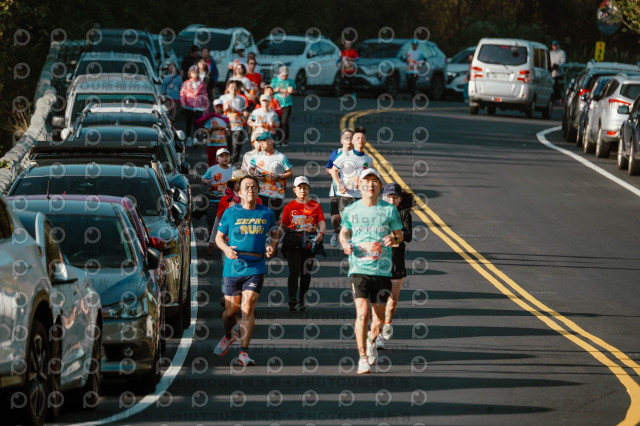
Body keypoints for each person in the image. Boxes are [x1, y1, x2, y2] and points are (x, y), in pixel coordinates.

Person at [339, 168, 403, 374]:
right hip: (359, 268)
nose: (371, 185)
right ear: (359, 185)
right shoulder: (351, 210)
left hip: (382, 270)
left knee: (378, 319)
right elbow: (344, 232)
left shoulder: (389, 210)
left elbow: (400, 234)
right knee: (362, 313)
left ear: (380, 186)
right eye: (366, 181)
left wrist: (394, 238)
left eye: (375, 181)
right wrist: (345, 243)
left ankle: (371, 340)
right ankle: (362, 358)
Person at [214, 175, 278, 366]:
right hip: (233, 267)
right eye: (247, 187)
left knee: (247, 308)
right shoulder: (230, 213)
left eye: (254, 187)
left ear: (258, 192)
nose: (251, 190)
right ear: (239, 192)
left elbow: (274, 234)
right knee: (230, 313)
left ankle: (244, 353)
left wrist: (271, 246)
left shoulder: (266, 213)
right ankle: (228, 335)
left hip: (256, 266)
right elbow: (219, 238)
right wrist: (226, 249)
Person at [279, 176, 326, 312]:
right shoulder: (289, 207)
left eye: (305, 188)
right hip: (292, 242)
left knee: (306, 272)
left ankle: (302, 300)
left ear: (309, 189)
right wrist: (275, 241)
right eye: (300, 188)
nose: (303, 190)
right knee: (294, 271)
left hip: (309, 243)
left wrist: (321, 234)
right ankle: (292, 299)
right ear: (294, 190)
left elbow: (322, 222)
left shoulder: (315, 205)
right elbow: (282, 226)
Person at [376, 183, 413, 350]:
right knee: (379, 301)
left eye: (395, 197)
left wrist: (394, 237)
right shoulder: (377, 212)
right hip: (379, 261)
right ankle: (378, 336)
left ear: (400, 199)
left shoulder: (403, 213)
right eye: (389, 197)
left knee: (392, 303)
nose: (392, 200)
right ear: (383, 197)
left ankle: (388, 322)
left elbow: (408, 235)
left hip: (397, 261)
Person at [328, 127, 374, 243]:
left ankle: (353, 244)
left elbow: (370, 176)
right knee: (347, 223)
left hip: (360, 196)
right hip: (346, 195)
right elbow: (333, 170)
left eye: (362, 138)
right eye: (357, 138)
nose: (360, 140)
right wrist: (339, 185)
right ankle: (345, 243)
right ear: (353, 141)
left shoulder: (369, 160)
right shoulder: (345, 156)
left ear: (365, 141)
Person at [249, 131, 293, 221]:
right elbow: (251, 169)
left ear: (271, 141)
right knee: (261, 219)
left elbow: (290, 173)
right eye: (260, 141)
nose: (261, 144)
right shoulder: (257, 156)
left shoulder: (281, 157)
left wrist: (277, 177)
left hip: (276, 194)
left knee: (274, 220)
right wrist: (256, 175)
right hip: (260, 193)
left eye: (264, 141)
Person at [325, 128, 354, 247]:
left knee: (347, 218)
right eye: (347, 138)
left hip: (351, 192)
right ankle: (337, 231)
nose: (349, 140)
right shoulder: (336, 154)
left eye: (351, 138)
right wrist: (335, 172)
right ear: (342, 140)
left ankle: (345, 240)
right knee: (335, 218)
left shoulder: (356, 155)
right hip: (336, 191)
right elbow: (328, 169)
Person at [201, 148, 235, 235]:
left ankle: (225, 235)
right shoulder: (212, 169)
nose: (225, 158)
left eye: (227, 156)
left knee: (228, 218)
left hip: (228, 199)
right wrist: (207, 181)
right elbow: (203, 178)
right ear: (217, 159)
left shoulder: (233, 170)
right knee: (212, 218)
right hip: (214, 199)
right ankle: (210, 232)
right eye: (222, 156)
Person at [219, 80, 248, 165]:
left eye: (235, 87)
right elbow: (218, 111)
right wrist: (224, 108)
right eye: (231, 87)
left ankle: (234, 163)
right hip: (226, 126)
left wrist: (245, 114)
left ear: (238, 88)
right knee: (228, 145)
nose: (233, 89)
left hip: (238, 125)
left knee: (236, 145)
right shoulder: (223, 98)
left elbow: (244, 110)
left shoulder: (241, 99)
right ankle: (227, 162)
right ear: (228, 88)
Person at [180, 65, 209, 147]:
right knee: (188, 123)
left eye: (196, 72)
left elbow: (204, 94)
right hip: (188, 106)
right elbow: (182, 93)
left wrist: (205, 105)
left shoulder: (201, 83)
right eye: (193, 72)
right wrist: (183, 103)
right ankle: (189, 138)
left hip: (198, 107)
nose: (195, 74)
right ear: (190, 73)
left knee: (197, 123)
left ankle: (195, 139)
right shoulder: (186, 83)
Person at [195, 99, 230, 166]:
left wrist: (226, 131)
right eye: (217, 106)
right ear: (214, 107)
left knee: (221, 164)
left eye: (220, 106)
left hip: (222, 144)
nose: (219, 108)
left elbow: (229, 132)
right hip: (211, 144)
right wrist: (212, 129)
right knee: (211, 163)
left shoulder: (225, 118)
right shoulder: (210, 118)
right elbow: (204, 130)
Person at [269, 66, 296, 147]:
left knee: (284, 122)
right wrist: (275, 90)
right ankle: (279, 139)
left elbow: (295, 91)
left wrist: (292, 91)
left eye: (286, 75)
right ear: (280, 73)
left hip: (287, 104)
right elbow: (269, 91)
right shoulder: (275, 81)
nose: (285, 76)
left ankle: (285, 140)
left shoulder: (290, 81)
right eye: (283, 74)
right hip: (277, 105)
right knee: (277, 122)